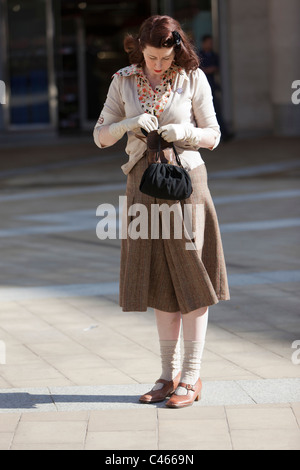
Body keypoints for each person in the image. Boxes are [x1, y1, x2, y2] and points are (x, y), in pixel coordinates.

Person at [93, 15, 230, 408]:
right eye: (151, 57)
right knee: (158, 282)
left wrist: (184, 133)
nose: (157, 65)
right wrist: (128, 123)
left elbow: (214, 136)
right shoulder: (122, 80)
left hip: (186, 186)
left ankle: (191, 376)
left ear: (177, 51)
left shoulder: (192, 78)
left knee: (192, 279)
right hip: (142, 187)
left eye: (164, 58)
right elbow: (101, 136)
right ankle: (167, 376)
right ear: (140, 49)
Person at [199, 34, 233, 141]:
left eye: (211, 42)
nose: (210, 44)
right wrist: (208, 70)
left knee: (216, 111)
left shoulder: (214, 55)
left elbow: (216, 68)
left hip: (212, 87)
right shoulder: (199, 55)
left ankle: (223, 134)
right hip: (201, 89)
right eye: (209, 42)